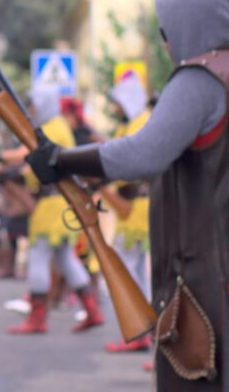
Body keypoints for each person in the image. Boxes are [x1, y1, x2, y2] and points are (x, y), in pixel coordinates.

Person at [28, 0, 229, 389]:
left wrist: (63, 160)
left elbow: (142, 155)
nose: (167, 45)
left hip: (206, 265)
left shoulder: (199, 79)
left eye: (166, 32)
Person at [3, 84, 104, 335]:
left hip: (52, 203)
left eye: (34, 104)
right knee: (64, 258)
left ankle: (37, 319)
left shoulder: (51, 128)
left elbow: (23, 158)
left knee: (38, 256)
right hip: (60, 202)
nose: (32, 109)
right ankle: (92, 311)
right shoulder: (57, 126)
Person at [98, 72, 153, 354]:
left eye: (118, 102)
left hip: (138, 209)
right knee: (136, 273)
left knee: (131, 272)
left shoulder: (141, 122)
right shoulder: (131, 123)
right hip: (131, 209)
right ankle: (146, 334)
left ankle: (144, 333)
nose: (114, 107)